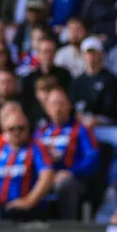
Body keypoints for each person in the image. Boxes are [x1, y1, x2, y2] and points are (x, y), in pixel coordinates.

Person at [35, 88, 100, 220]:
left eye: (61, 103)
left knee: (66, 186)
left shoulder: (81, 130)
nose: (57, 108)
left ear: (69, 106)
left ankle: (68, 227)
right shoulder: (40, 132)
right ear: (47, 108)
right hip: (44, 178)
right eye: (53, 104)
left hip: (73, 178)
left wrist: (72, 172)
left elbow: (92, 158)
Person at [0, 103, 55, 221]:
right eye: (12, 129)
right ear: (4, 130)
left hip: (26, 211)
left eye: (21, 128)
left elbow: (47, 176)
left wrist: (29, 201)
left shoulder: (36, 148)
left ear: (28, 128)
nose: (16, 132)